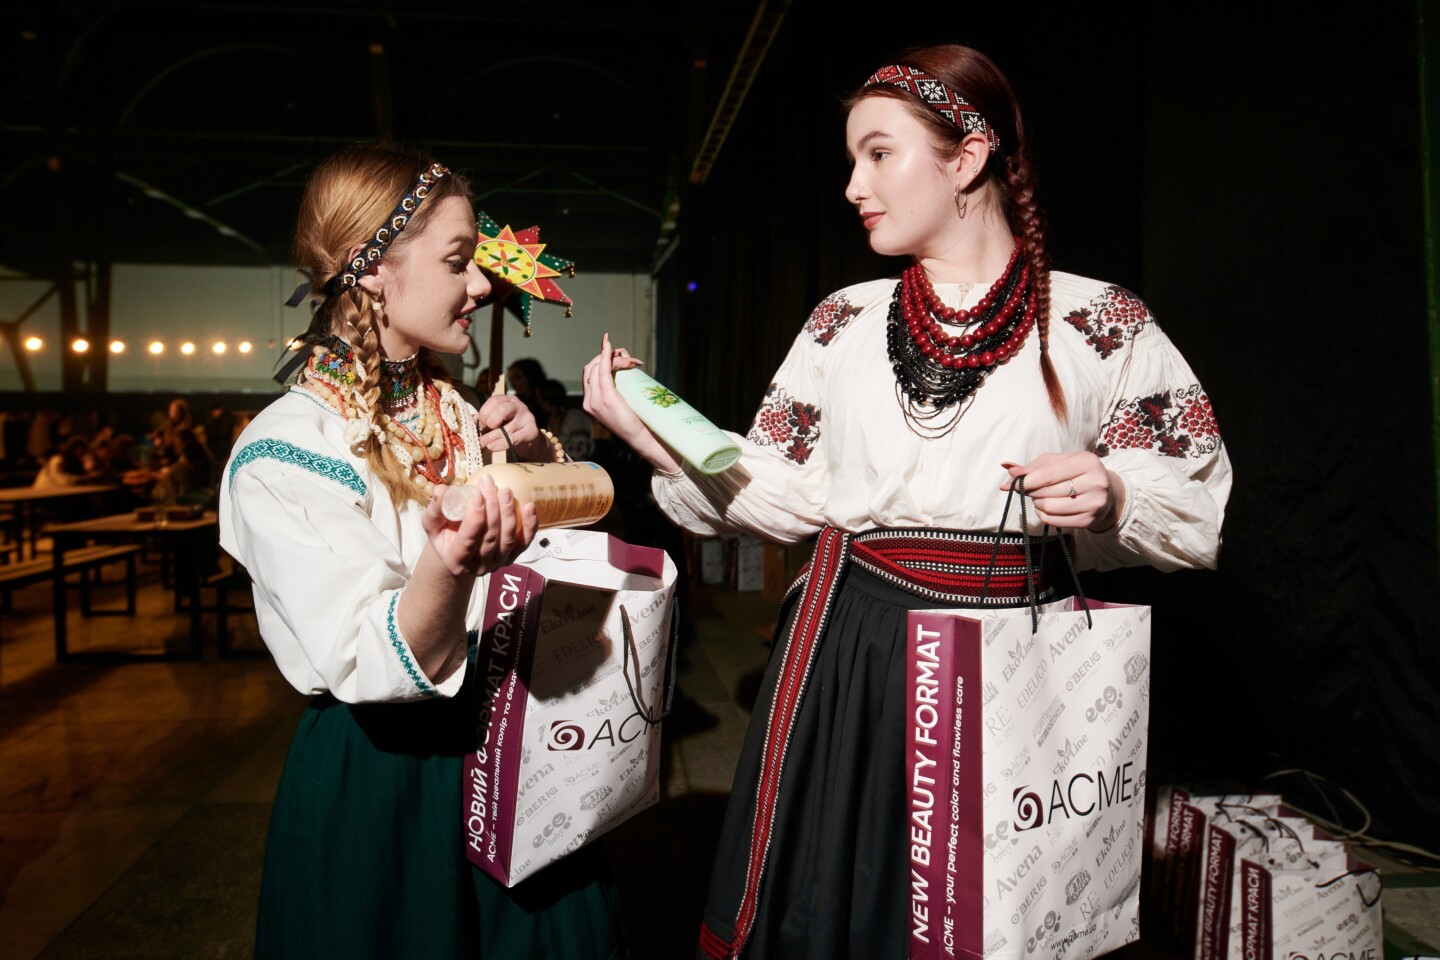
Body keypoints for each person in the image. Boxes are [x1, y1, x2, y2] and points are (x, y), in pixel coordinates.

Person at [581, 45, 1232, 959]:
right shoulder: (842, 321)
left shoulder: (1100, 321)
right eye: (854, 159)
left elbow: (1196, 498)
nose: (854, 185)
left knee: (998, 909)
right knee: (854, 899)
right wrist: (659, 438)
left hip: (1020, 657)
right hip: (859, 645)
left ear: (967, 158)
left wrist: (1116, 490)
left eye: (879, 154)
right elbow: (787, 495)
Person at [219, 144, 623, 959]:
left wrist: (535, 462)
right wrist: (451, 561)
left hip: (515, 747)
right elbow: (373, 656)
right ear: (372, 268)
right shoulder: (287, 451)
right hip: (389, 779)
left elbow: (553, 562)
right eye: (457, 261)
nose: (481, 285)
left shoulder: (460, 412)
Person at [537, 378, 595, 461]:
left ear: (547, 399)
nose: (538, 402)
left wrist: (557, 436)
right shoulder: (554, 418)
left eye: (539, 398)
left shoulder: (574, 417)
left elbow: (580, 452)